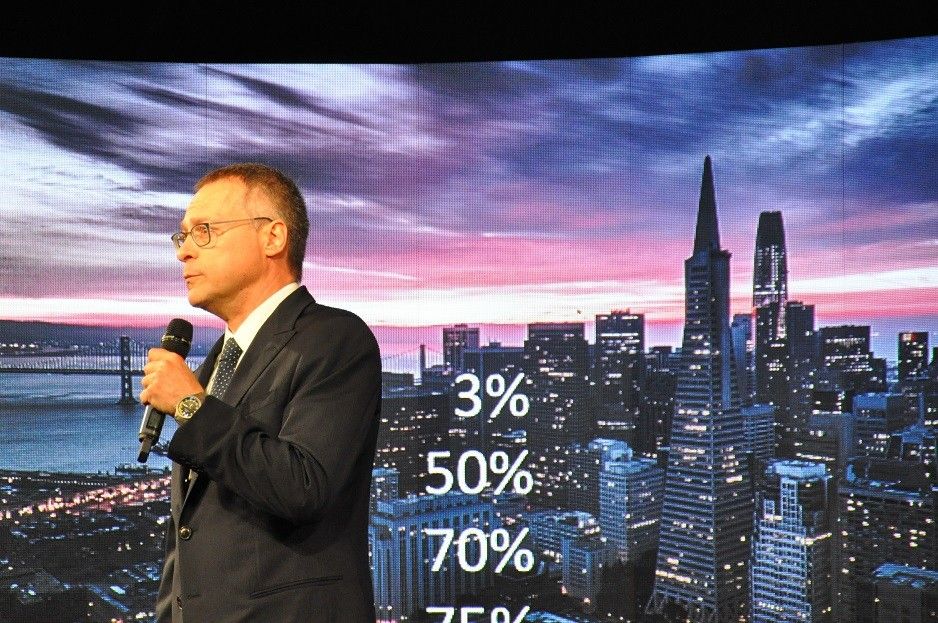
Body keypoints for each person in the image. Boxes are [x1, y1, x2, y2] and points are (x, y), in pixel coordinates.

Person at [140, 163, 381, 622]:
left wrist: (191, 407)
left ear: (273, 237)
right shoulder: (214, 363)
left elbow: (304, 487)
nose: (184, 252)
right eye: (182, 236)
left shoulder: (334, 338)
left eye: (204, 231)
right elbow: (188, 535)